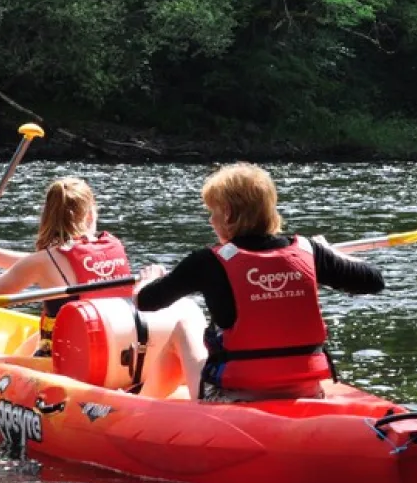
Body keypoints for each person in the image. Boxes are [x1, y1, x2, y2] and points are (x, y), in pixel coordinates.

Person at [135, 162, 385, 402]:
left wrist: (148, 280)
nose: (211, 221)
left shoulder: (206, 262)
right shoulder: (310, 252)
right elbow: (373, 281)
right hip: (305, 389)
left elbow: (146, 302)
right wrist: (329, 252)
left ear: (228, 214)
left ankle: (138, 409)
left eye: (213, 212)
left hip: (236, 394)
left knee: (186, 324)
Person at [0, 177, 161, 357]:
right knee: (33, 339)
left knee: (37, 341)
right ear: (91, 214)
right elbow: (40, 266)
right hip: (116, 354)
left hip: (68, 361)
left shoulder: (46, 262)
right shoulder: (110, 247)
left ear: (47, 217)